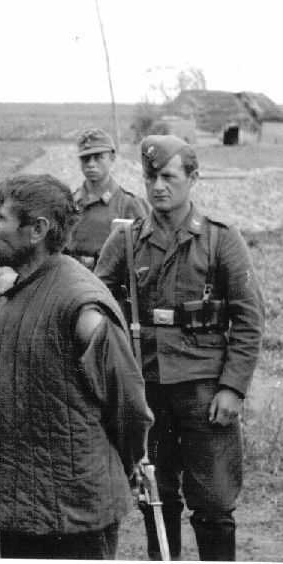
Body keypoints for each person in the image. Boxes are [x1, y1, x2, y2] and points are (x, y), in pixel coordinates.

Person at [95, 135, 264, 561]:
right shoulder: (127, 241)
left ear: (193, 178)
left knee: (214, 501)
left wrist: (234, 388)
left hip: (205, 390)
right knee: (157, 495)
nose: (158, 186)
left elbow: (248, 319)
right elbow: (95, 305)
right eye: (151, 176)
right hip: (147, 389)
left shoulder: (221, 240)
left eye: (169, 176)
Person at [0, 173, 153, 560]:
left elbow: (130, 407)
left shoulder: (83, 307)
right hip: (21, 504)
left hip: (77, 512)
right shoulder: (17, 294)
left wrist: (126, 464)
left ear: (36, 230)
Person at [67, 128, 149, 270]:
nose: (91, 164)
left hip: (111, 281)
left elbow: (146, 253)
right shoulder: (69, 203)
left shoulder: (129, 203)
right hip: (74, 279)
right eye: (85, 158)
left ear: (112, 158)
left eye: (98, 157)